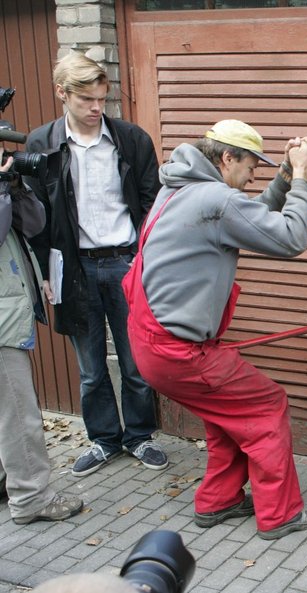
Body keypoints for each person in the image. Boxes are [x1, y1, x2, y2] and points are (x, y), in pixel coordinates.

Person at [123, 119, 307, 540]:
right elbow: (291, 238)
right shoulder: (214, 198)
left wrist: (285, 178)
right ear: (227, 157)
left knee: (227, 415)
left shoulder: (177, 189)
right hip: (179, 352)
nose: (253, 174)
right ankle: (281, 513)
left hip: (151, 345)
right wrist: (303, 179)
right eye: (250, 164)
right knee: (267, 405)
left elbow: (246, 215)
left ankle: (219, 500)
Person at [24, 51, 166, 476]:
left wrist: (148, 261)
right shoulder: (42, 144)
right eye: (86, 100)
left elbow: (152, 204)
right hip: (74, 269)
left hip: (126, 262)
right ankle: (104, 440)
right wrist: (44, 274)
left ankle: (139, 436)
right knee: (90, 368)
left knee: (136, 363)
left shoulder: (131, 140)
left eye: (101, 99)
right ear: (61, 94)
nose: (95, 109)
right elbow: (35, 217)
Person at [0, 155, 83, 524]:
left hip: (8, 311)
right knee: (19, 414)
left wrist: (16, 189)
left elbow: (34, 225)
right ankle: (31, 496)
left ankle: (8, 481)